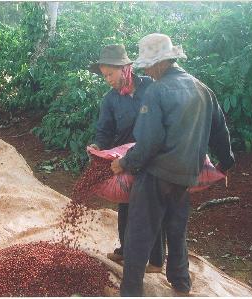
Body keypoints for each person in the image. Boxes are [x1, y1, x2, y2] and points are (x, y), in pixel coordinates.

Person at [111, 33, 235, 296]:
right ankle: (181, 283)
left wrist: (125, 163)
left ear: (160, 63)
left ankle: (131, 292)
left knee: (138, 235)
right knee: (176, 229)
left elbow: (149, 141)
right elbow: (220, 132)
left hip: (157, 175)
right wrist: (226, 163)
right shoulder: (203, 89)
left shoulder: (157, 91)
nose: (147, 72)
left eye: (147, 67)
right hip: (185, 176)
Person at [89, 44, 166, 273]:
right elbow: (104, 130)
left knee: (152, 206)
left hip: (152, 157)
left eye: (110, 74)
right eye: (104, 76)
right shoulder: (110, 100)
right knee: (125, 207)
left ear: (125, 69)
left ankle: (156, 259)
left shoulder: (151, 87)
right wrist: (97, 146)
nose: (108, 80)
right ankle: (126, 250)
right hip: (124, 160)